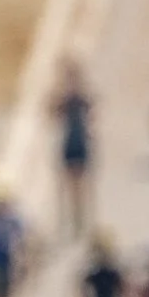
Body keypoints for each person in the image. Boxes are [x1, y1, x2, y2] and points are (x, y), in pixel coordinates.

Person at [51, 62, 95, 239]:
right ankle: (68, 219)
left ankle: (80, 220)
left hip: (79, 142)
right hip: (69, 142)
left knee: (81, 184)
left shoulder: (83, 99)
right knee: (67, 183)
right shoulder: (64, 99)